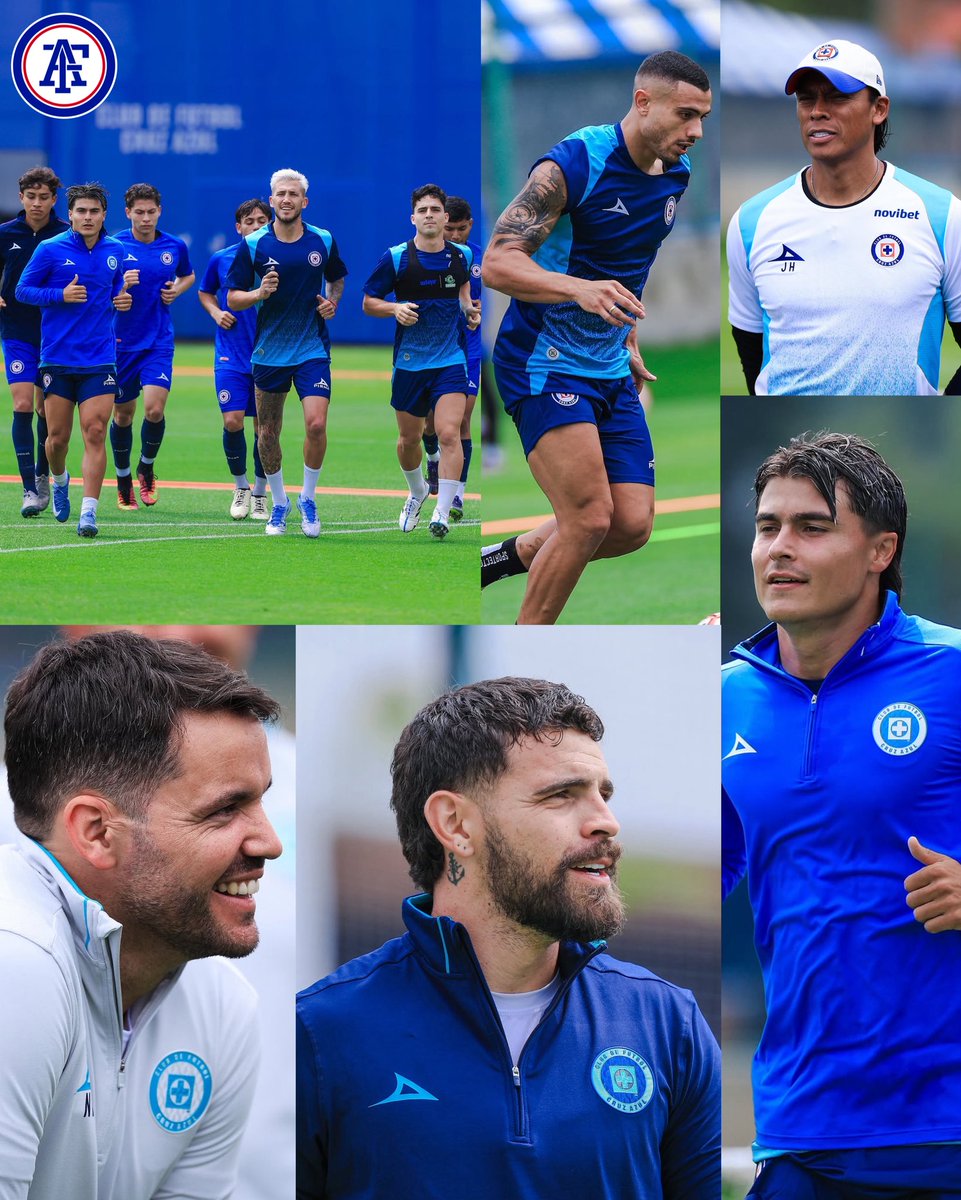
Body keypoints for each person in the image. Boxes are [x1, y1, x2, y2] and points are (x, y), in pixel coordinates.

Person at [297, 677, 720, 1198]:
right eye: (562, 796)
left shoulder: (666, 1022)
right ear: (455, 825)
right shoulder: (320, 1031)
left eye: (603, 795)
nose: (606, 823)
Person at [722, 432, 961, 1197]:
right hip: (801, 1133)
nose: (778, 549)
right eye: (767, 527)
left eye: (811, 527)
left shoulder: (949, 672)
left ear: (878, 551)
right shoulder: (726, 696)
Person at [0, 630, 284, 1199]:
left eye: (260, 801)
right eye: (225, 809)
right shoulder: (15, 964)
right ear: (97, 832)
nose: (270, 843)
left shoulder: (221, 1004)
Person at [481, 50, 711, 624]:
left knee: (630, 524)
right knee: (586, 518)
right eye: (685, 115)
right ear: (642, 103)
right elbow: (497, 265)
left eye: (703, 117)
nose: (697, 131)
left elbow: (630, 264)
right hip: (543, 360)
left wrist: (629, 339)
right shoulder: (574, 164)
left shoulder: (675, 176)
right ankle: (524, 649)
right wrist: (577, 289)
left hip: (608, 363)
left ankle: (497, 560)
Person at [727, 39, 961, 396]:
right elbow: (750, 354)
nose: (817, 111)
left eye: (837, 97)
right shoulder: (752, 221)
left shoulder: (941, 215)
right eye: (807, 98)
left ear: (878, 109)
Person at [226, 169, 348, 538]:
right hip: (269, 353)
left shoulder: (323, 239)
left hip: (312, 348)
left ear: (304, 201)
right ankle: (279, 503)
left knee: (316, 423)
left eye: (293, 194)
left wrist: (332, 301)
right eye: (280, 194)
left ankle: (308, 498)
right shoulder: (255, 244)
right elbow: (233, 296)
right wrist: (259, 293)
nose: (286, 199)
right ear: (272, 198)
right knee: (267, 431)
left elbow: (338, 277)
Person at [362, 183, 481, 539]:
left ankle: (442, 513)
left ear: (445, 217)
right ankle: (417, 490)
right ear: (413, 217)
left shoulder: (462, 257)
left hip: (450, 359)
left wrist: (470, 312)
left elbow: (464, 297)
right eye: (422, 210)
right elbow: (368, 301)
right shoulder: (398, 257)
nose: (429, 215)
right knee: (409, 440)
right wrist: (394, 308)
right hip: (411, 362)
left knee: (449, 433)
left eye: (435, 210)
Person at [15, 182, 132, 538]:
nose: (88, 217)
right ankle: (60, 479)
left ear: (103, 215)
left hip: (99, 359)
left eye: (94, 211)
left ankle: (89, 512)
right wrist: (59, 295)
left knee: (96, 431)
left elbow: (114, 293)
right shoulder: (50, 249)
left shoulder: (116, 250)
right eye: (81, 211)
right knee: (56, 439)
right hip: (57, 359)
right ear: (69, 215)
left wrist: (121, 299)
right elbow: (23, 290)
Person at [109, 183, 194, 509]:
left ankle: (146, 467)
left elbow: (187, 275)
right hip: (121, 343)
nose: (146, 218)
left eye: (151, 212)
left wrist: (177, 289)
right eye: (139, 212)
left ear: (160, 211)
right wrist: (119, 293)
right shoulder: (114, 246)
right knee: (123, 415)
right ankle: (122, 478)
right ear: (128, 212)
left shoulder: (174, 245)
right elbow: (102, 289)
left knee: (155, 409)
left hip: (158, 339)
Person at [0, 165, 69, 518]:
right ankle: (29, 487)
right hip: (16, 332)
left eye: (44, 197)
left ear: (54, 200)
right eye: (31, 197)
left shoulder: (66, 235)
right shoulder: (6, 233)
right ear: (21, 198)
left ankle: (45, 476)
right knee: (24, 405)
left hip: (55, 335)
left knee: (46, 410)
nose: (37, 203)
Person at [198, 199, 272, 521]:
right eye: (249, 221)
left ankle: (259, 493)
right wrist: (216, 313)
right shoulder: (222, 258)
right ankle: (240, 486)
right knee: (232, 421)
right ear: (238, 227)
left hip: (270, 356)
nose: (255, 226)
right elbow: (205, 291)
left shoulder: (280, 260)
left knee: (265, 429)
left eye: (261, 220)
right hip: (230, 353)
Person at [421, 195, 482, 522]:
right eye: (451, 228)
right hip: (433, 348)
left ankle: (457, 493)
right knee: (429, 422)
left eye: (461, 229)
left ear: (469, 225)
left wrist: (478, 312)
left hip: (468, 350)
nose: (455, 235)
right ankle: (432, 457)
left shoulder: (477, 259)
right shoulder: (426, 257)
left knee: (461, 420)